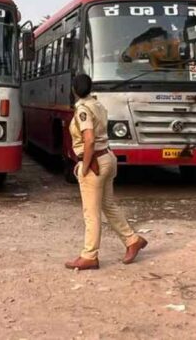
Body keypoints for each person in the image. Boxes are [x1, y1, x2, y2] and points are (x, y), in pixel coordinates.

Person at [64, 74, 147, 270]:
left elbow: (89, 139)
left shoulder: (83, 109)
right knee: (108, 205)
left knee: (91, 212)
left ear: (74, 90)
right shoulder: (98, 105)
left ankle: (89, 255)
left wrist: (84, 167)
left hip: (94, 162)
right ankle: (132, 239)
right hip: (108, 157)